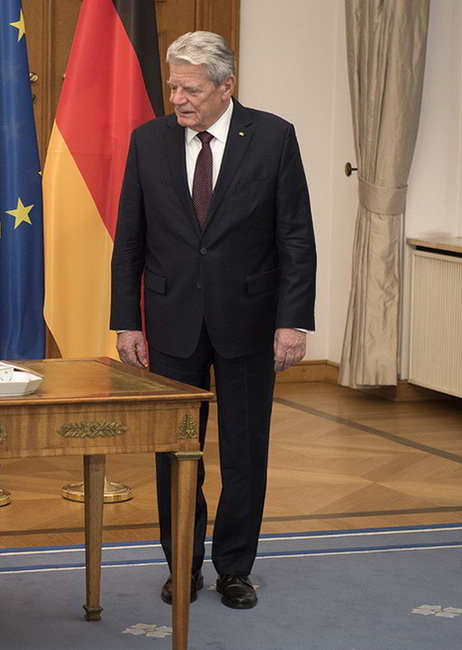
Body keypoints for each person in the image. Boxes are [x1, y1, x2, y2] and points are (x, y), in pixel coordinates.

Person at [110, 31, 316, 610]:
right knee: (175, 453)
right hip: (171, 321)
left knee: (246, 453)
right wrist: (127, 321)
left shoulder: (274, 137)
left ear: (227, 87)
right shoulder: (148, 140)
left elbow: (295, 237)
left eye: (191, 88)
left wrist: (292, 321)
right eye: (173, 85)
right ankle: (182, 566)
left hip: (251, 320)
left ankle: (234, 569)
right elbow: (129, 239)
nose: (177, 98)